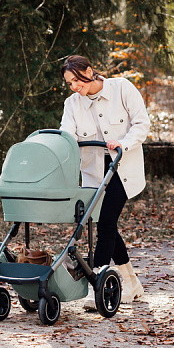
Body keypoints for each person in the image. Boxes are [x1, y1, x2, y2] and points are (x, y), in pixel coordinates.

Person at [59, 55, 150, 307]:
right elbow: (67, 132)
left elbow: (141, 124)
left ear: (89, 71)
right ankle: (131, 283)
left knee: (106, 223)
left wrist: (123, 143)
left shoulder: (122, 88)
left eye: (77, 80)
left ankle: (97, 282)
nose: (74, 86)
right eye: (69, 83)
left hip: (123, 167)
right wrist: (63, 144)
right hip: (94, 173)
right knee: (105, 223)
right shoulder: (72, 104)